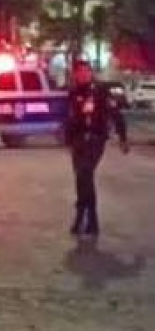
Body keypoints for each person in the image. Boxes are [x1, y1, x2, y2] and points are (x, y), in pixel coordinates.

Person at [65, 60, 129, 236]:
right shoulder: (73, 93)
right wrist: (68, 139)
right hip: (78, 140)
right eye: (80, 72)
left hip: (95, 139)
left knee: (85, 172)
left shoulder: (100, 91)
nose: (83, 75)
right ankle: (84, 217)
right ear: (75, 75)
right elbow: (69, 118)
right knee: (81, 178)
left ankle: (89, 218)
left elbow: (116, 115)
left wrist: (123, 138)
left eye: (86, 71)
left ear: (91, 73)